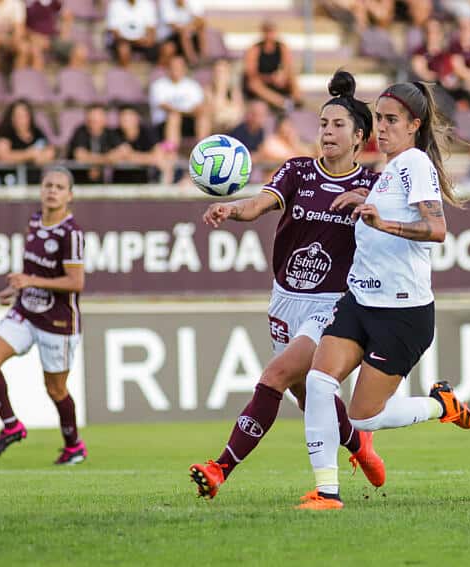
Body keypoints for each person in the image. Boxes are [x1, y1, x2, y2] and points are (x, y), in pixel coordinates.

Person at [189, 71, 384, 500]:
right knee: (304, 394)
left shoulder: (372, 185)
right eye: (322, 124)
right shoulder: (297, 171)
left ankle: (220, 468)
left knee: (276, 375)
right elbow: (260, 204)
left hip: (333, 305)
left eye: (338, 126)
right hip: (284, 300)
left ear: (359, 137)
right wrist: (232, 210)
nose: (327, 132)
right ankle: (358, 442)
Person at [298, 81, 470, 511]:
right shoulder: (392, 168)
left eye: (391, 120)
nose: (382, 127)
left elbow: (437, 231)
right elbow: (391, 206)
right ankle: (326, 491)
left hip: (401, 314)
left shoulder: (415, 163)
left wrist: (383, 223)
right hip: (360, 300)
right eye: (378, 118)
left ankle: (440, 405)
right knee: (319, 382)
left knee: (362, 417)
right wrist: (367, 197)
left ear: (414, 125)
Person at [0, 166, 87, 465]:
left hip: (59, 321)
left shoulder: (71, 233)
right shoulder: (35, 220)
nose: (52, 190)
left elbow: (76, 283)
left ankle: (74, 445)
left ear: (70, 195)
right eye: (48, 185)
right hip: (26, 310)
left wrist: (31, 282)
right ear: (41, 190)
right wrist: (15, 290)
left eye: (59, 187)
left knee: (55, 389)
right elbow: (33, 271)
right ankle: (11, 425)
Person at [149, 54, 210, 151]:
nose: (176, 69)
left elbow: (199, 106)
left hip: (188, 121)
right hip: (164, 125)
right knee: (174, 116)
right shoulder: (158, 85)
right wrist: (187, 112)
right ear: (168, 68)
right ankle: (172, 152)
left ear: (184, 69)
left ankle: (203, 150)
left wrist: (190, 112)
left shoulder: (193, 85)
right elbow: (165, 106)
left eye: (179, 67)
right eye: (173, 67)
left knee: (203, 116)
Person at [0, 99, 56, 186]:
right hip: (8, 185)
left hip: (32, 185)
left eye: (25, 115)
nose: (21, 119)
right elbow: (2, 155)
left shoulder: (36, 132)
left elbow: (50, 151)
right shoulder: (5, 133)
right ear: (11, 117)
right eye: (18, 115)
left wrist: (40, 157)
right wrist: (27, 155)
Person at [242, 20, 302, 112]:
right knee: (254, 84)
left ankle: (296, 100)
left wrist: (282, 76)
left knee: (292, 76)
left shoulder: (282, 47)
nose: (270, 34)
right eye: (267, 31)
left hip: (277, 81)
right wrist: (269, 78)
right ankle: (281, 102)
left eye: (271, 31)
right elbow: (251, 73)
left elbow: (288, 66)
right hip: (262, 82)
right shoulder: (255, 49)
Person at [114, 105, 174, 184]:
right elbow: (112, 157)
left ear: (136, 118)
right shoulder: (115, 134)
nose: (126, 121)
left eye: (129, 118)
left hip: (144, 181)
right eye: (123, 118)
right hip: (120, 183)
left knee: (167, 165)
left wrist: (131, 156)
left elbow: (158, 157)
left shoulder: (147, 132)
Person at [67, 103, 125, 185]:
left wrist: (94, 162)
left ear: (104, 120)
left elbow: (123, 151)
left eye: (97, 120)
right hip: (78, 182)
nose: (94, 123)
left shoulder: (110, 133)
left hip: (102, 184)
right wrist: (106, 159)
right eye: (92, 120)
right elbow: (80, 155)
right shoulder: (80, 131)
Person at [105, 0, 158, 67]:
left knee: (161, 50)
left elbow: (151, 29)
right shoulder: (115, 4)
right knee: (123, 49)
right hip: (122, 41)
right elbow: (115, 32)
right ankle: (124, 74)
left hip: (142, 42)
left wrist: (146, 39)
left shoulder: (147, 4)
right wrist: (135, 40)